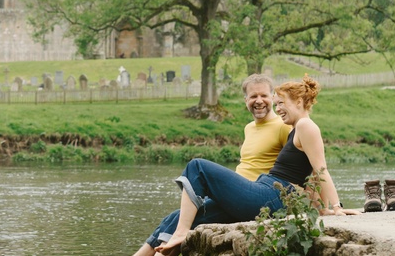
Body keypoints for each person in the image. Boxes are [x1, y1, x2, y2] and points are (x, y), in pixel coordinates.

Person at [146, 75, 359, 256]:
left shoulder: (305, 125)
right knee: (180, 216)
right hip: (264, 192)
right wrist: (322, 210)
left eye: (281, 103)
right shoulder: (297, 128)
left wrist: (336, 208)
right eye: (277, 105)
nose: (278, 109)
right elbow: (311, 173)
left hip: (270, 195)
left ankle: (181, 233)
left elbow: (320, 170)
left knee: (197, 167)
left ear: (299, 101)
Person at [132, 74, 291, 256]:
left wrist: (317, 203)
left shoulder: (282, 126)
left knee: (197, 169)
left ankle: (173, 240)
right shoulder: (249, 128)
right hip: (235, 196)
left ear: (272, 97)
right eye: (253, 96)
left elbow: (299, 165)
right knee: (175, 217)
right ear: (245, 99)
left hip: (257, 197)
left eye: (264, 95)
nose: (259, 101)